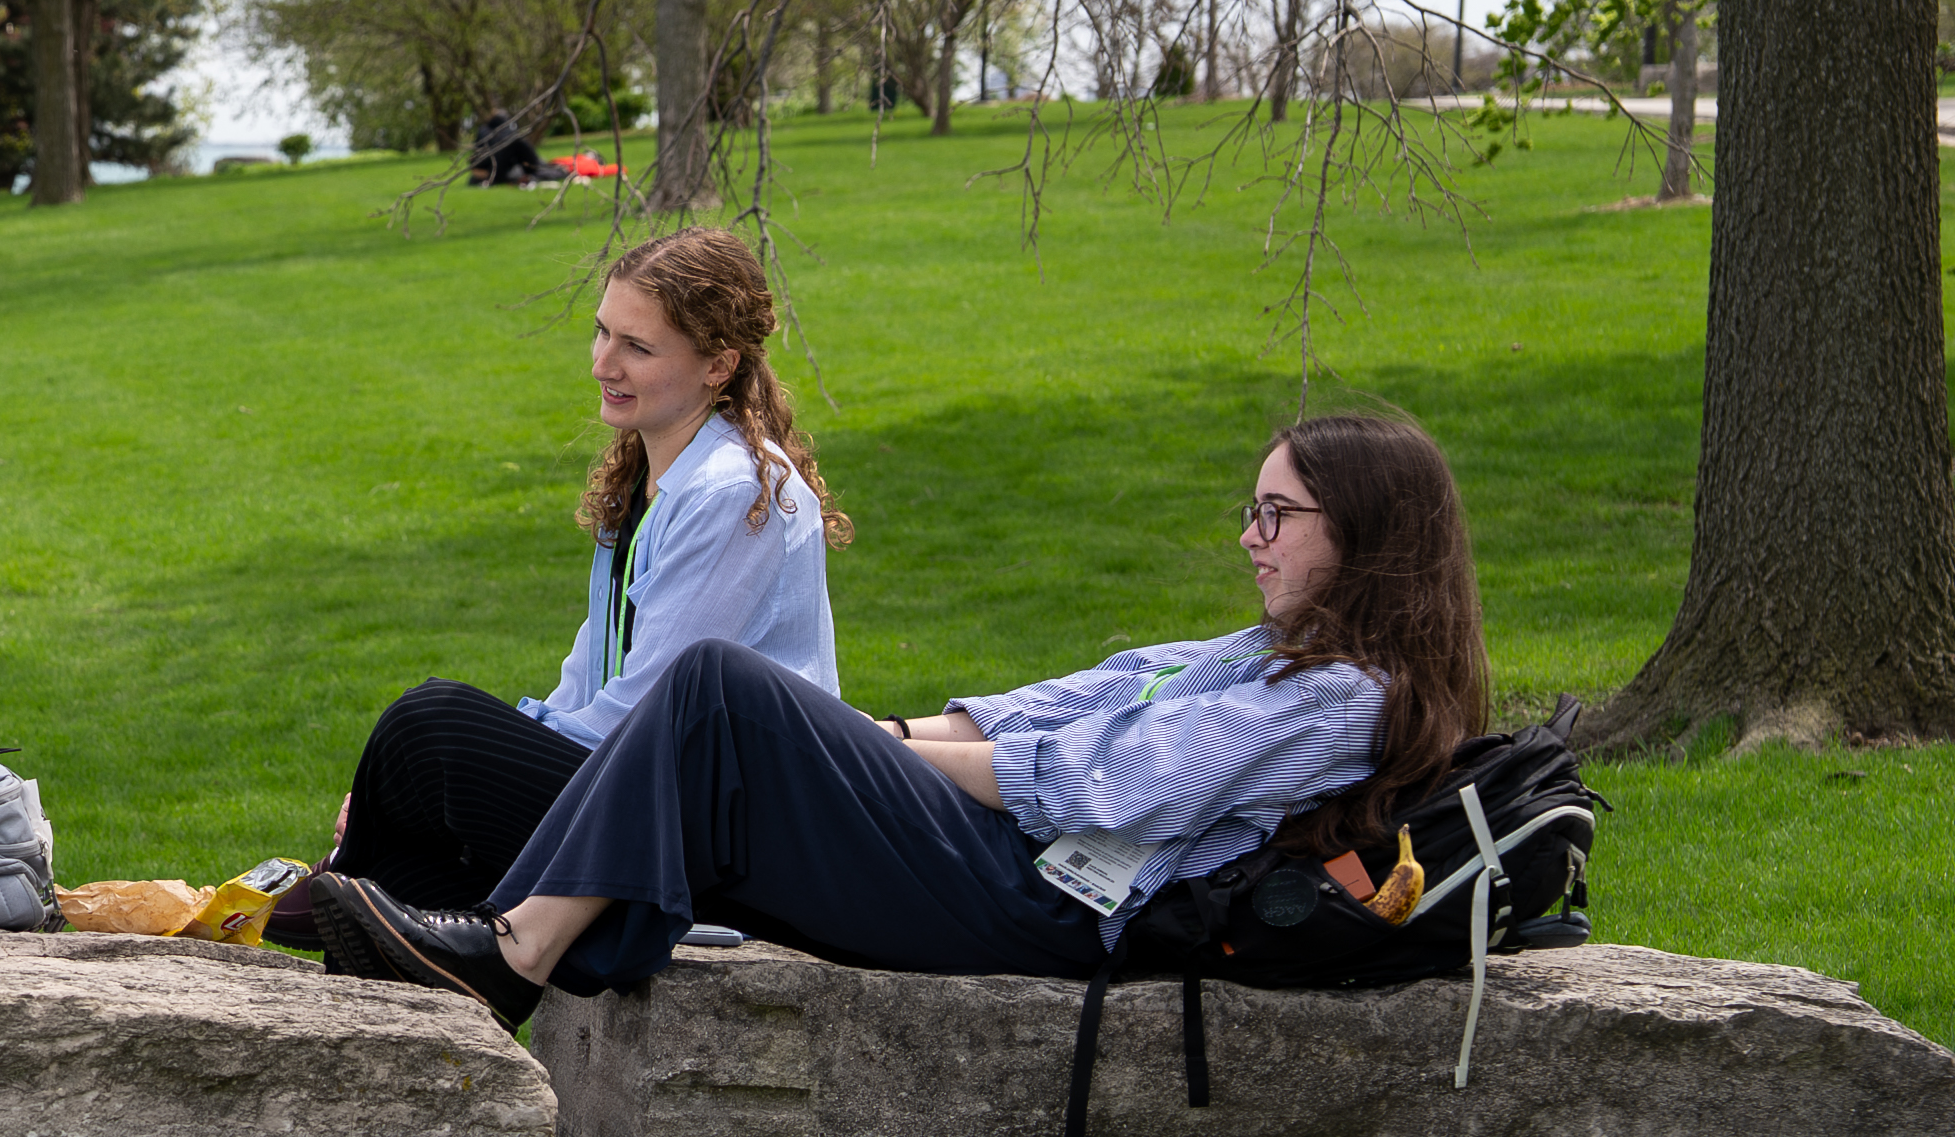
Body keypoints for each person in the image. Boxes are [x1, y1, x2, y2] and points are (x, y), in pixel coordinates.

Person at [307, 412, 1486, 1030]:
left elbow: (1111, 783)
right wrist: (883, 735)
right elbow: (1056, 703)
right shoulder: (1244, 653)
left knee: (718, 685)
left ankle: (512, 953)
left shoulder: (1348, 696)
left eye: (1277, 513)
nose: (1249, 534)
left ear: (1366, 533)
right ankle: (362, 951)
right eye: (1252, 507)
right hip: (999, 849)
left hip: (1047, 903)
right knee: (440, 725)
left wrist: (866, 753)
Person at [298, 229, 846, 959]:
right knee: (404, 872)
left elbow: (650, 706)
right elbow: (593, 678)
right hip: (647, 796)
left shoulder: (733, 492)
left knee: (430, 728)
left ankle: (326, 885)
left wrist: (460, 769)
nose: (602, 364)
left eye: (637, 348)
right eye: (601, 332)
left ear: (719, 365)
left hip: (718, 833)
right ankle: (394, 1039)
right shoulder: (650, 476)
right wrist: (491, 757)